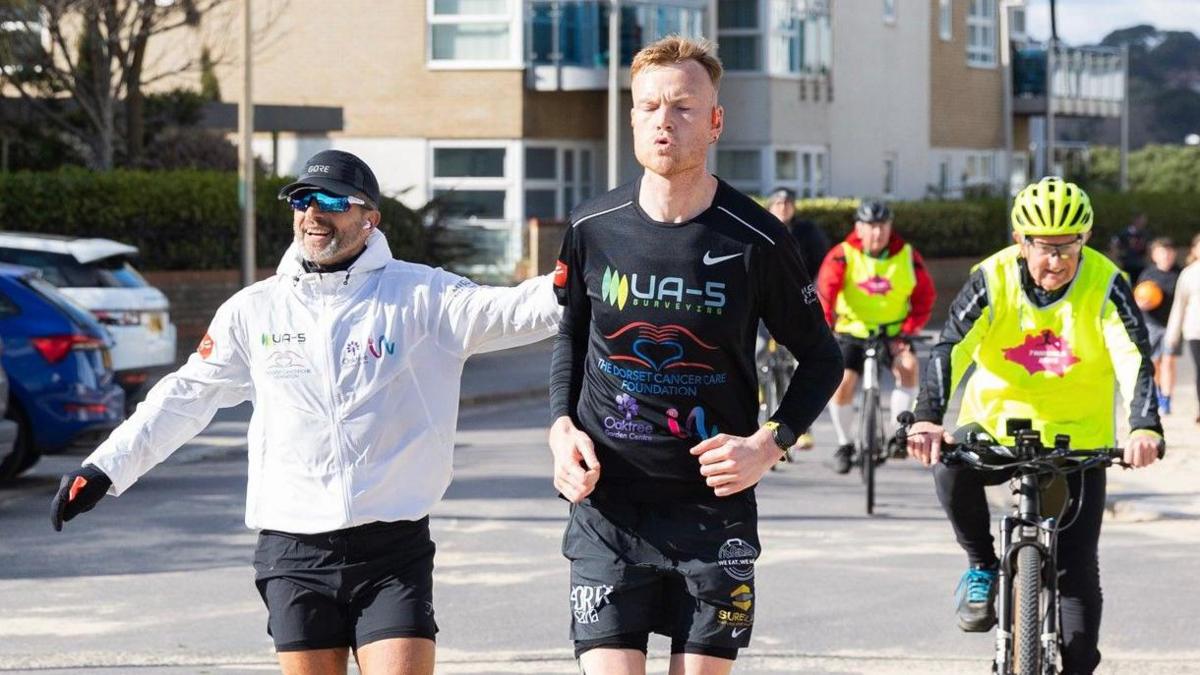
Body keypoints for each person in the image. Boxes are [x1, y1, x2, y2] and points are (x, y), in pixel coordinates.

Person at [49, 150, 562, 675]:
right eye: (301, 199)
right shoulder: (254, 309)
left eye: (332, 201)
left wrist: (572, 279)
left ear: (369, 218)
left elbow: (513, 310)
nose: (313, 213)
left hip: (392, 546)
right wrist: (105, 467)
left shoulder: (420, 294)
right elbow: (186, 395)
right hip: (292, 550)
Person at [547, 37, 842, 675]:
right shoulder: (591, 227)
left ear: (714, 122)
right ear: (631, 118)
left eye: (682, 107)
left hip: (714, 511)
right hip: (609, 507)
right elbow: (571, 334)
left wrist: (769, 443)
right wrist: (560, 427)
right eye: (648, 106)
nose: (662, 120)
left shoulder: (758, 238)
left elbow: (823, 358)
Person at [907, 177, 1162, 675]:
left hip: (1079, 440)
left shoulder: (1108, 283)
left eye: (1070, 246)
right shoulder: (991, 277)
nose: (1059, 260)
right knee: (949, 461)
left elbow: (1134, 356)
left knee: (1077, 586)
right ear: (1022, 242)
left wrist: (1143, 426)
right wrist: (928, 417)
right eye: (1046, 248)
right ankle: (981, 564)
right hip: (996, 427)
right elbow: (950, 348)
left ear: (1084, 240)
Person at [815, 200, 935, 473]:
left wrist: (910, 328)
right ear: (859, 228)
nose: (876, 234)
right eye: (870, 227)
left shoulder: (906, 255)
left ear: (890, 227)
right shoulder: (843, 254)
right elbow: (825, 292)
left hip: (893, 332)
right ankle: (845, 443)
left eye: (882, 227)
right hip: (852, 332)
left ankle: (897, 431)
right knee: (843, 382)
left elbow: (925, 296)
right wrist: (827, 326)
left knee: (908, 367)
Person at [764, 187, 832, 452]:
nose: (783, 207)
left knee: (799, 364)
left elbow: (822, 267)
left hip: (795, 304)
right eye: (778, 202)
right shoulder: (758, 226)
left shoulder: (807, 233)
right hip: (763, 303)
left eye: (788, 202)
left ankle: (801, 427)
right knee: (756, 352)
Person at [1134, 238, 1181, 413]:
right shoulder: (1147, 275)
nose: (1166, 256)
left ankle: (1167, 399)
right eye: (1162, 252)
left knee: (1169, 361)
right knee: (1155, 363)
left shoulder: (1179, 274)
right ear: (1154, 255)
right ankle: (1158, 393)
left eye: (1169, 252)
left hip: (1173, 324)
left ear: (1174, 254)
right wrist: (1141, 303)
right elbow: (1137, 297)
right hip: (1151, 324)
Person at [1165, 233, 1200, 423]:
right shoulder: (1188, 274)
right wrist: (1173, 333)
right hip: (1195, 330)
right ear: (1194, 250)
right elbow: (1179, 305)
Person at [1108, 212, 1151, 281]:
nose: (1143, 223)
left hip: (1140, 265)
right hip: (1126, 264)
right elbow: (1114, 244)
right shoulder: (1124, 233)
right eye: (1141, 220)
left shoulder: (1145, 234)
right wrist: (1117, 258)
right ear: (1135, 220)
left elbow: (1149, 249)